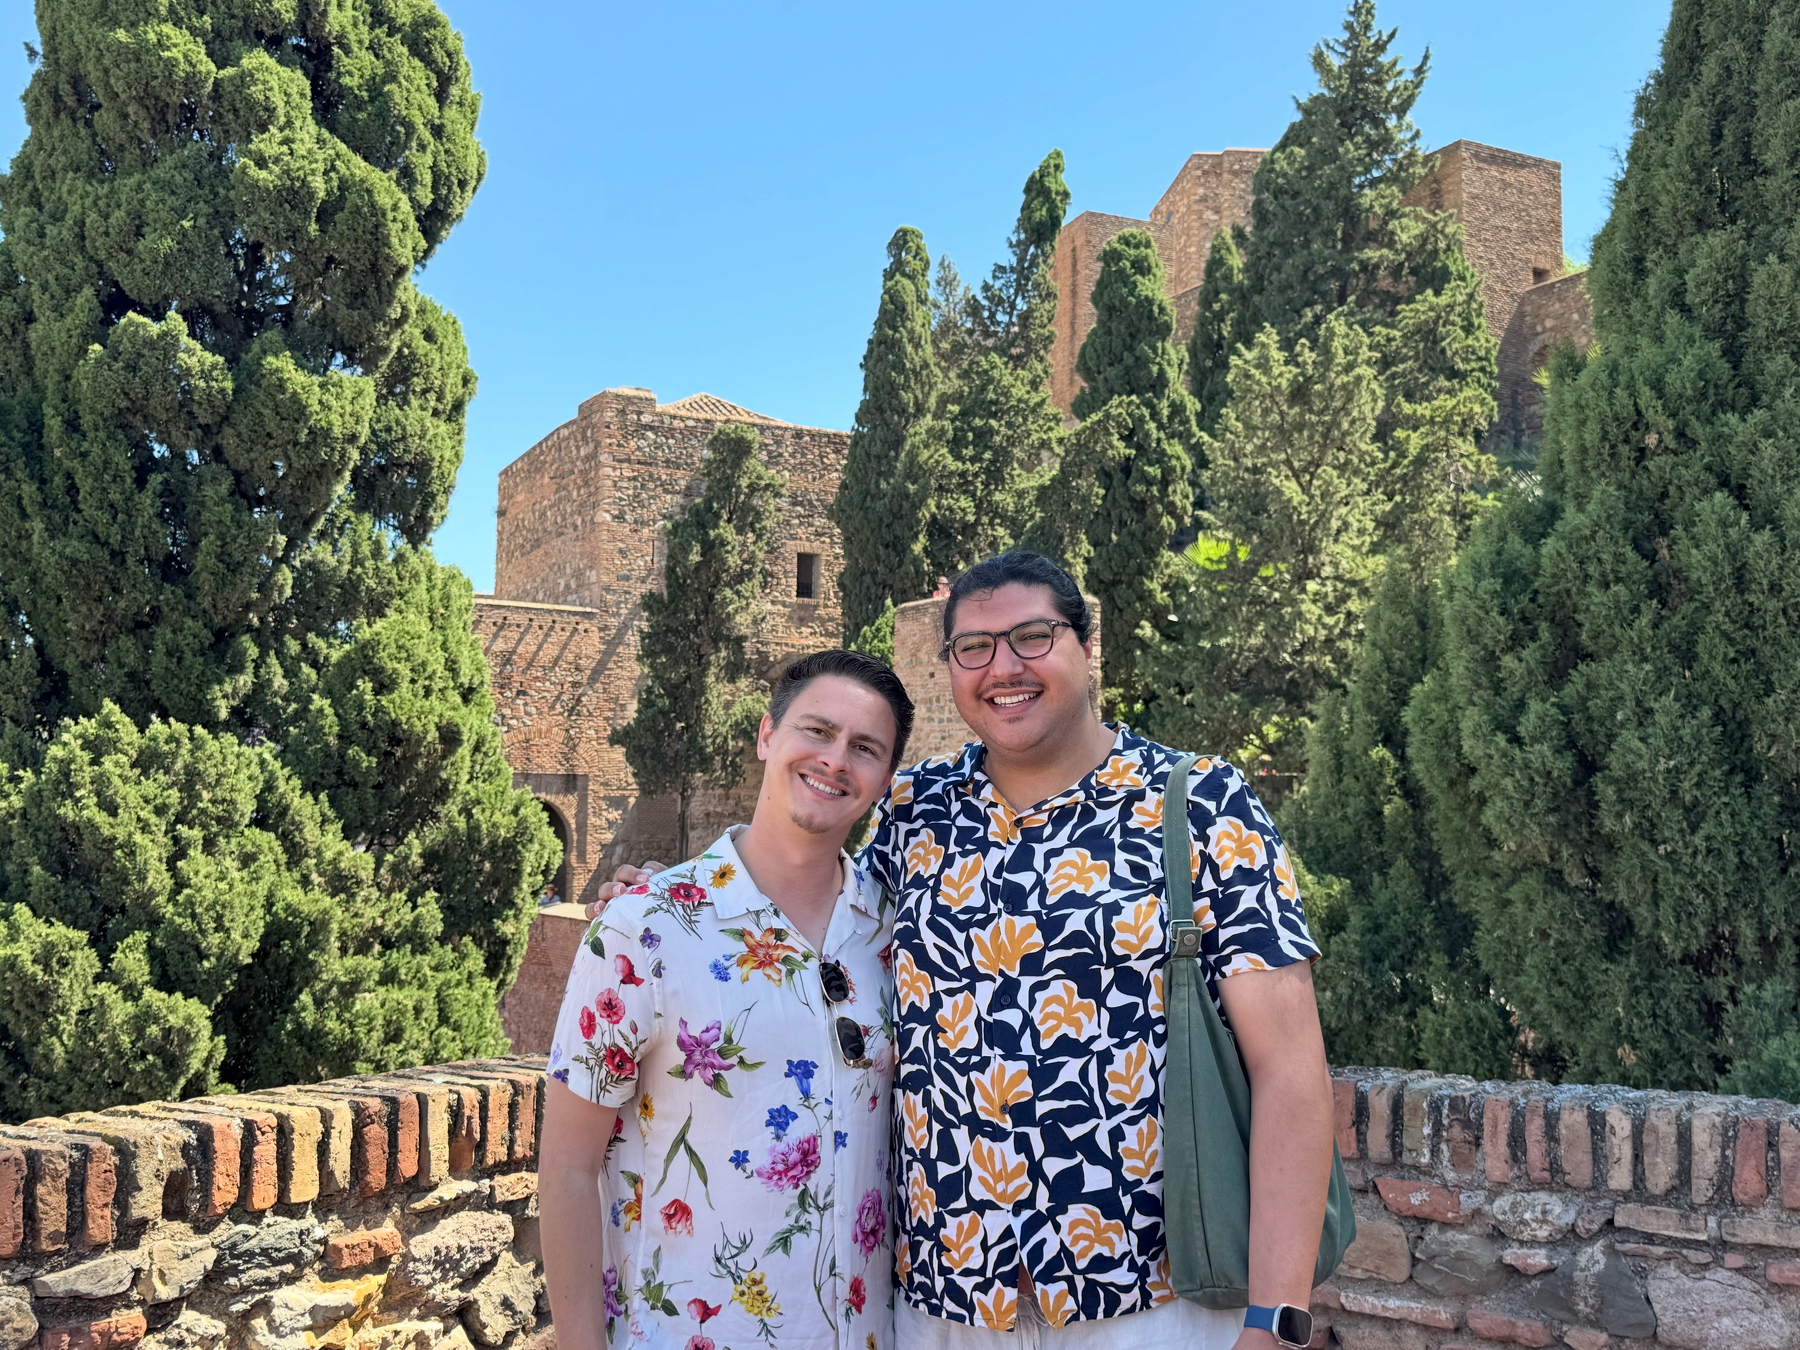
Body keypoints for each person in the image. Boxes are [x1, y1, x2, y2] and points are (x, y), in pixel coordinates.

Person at [599, 551, 1335, 1350]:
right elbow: (808, 913)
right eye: (973, 648)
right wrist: (669, 902)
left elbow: (1290, 1070)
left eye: (1031, 637)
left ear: (1087, 650)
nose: (1003, 668)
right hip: (944, 1305)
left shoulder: (1200, 806)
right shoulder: (917, 810)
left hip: (1148, 1302)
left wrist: (1276, 1324)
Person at [540, 648, 915, 1350]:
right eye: (817, 731)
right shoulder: (644, 927)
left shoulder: (896, 933)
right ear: (767, 736)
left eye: (865, 747)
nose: (835, 759)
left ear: (885, 779)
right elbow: (566, 1167)